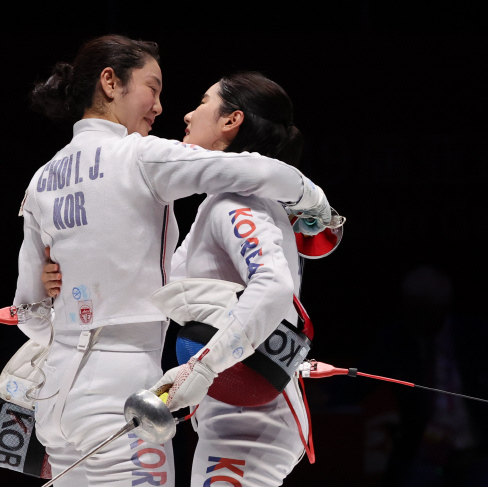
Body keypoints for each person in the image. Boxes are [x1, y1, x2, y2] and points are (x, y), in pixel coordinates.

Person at [17, 35, 331, 487]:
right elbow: (263, 170)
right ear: (110, 82)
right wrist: (317, 204)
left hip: (58, 399)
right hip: (124, 392)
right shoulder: (141, 155)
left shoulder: (41, 179)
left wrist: (68, 291)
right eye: (152, 87)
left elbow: (30, 315)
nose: (165, 108)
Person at [147, 72, 314, 486]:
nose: (187, 113)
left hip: (252, 416)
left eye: (203, 102)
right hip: (233, 409)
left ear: (231, 120)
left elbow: (274, 288)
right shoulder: (221, 204)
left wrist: (204, 367)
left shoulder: (238, 203)